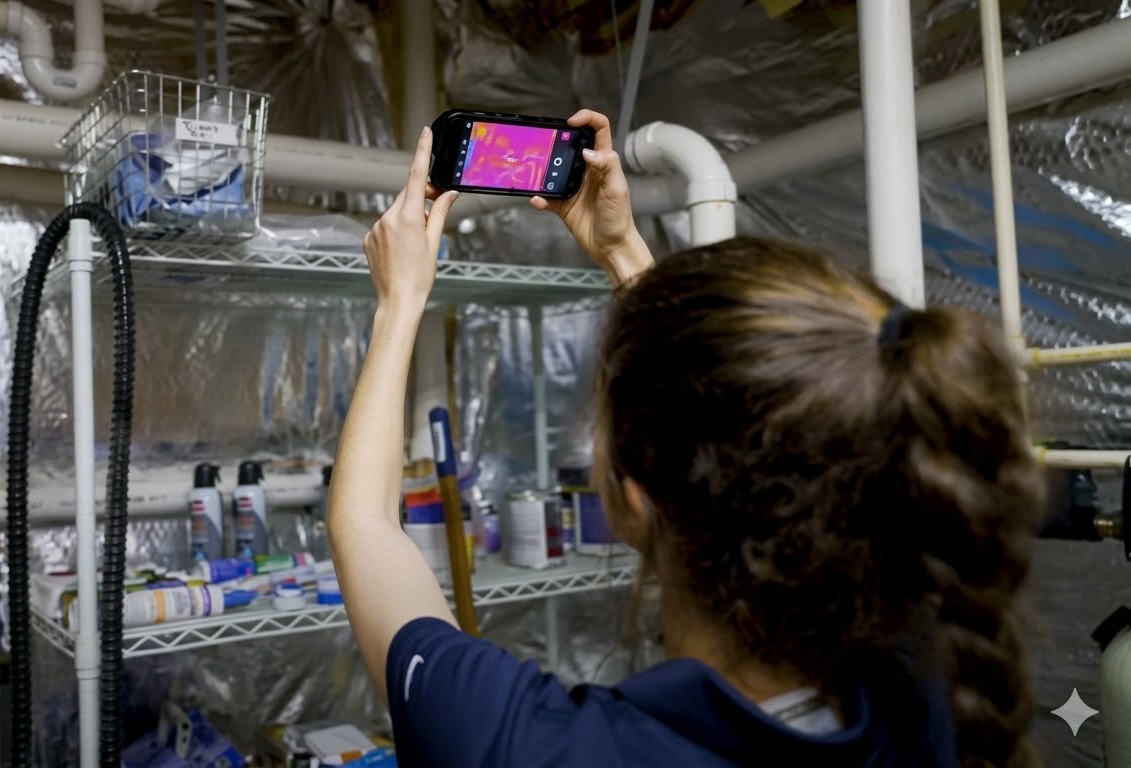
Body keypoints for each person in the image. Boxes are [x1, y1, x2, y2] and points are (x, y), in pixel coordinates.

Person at [327, 109, 1042, 767]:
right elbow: (721, 399)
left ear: (634, 500)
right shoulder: (937, 690)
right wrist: (623, 251)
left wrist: (400, 303)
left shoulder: (531, 744)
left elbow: (366, 527)